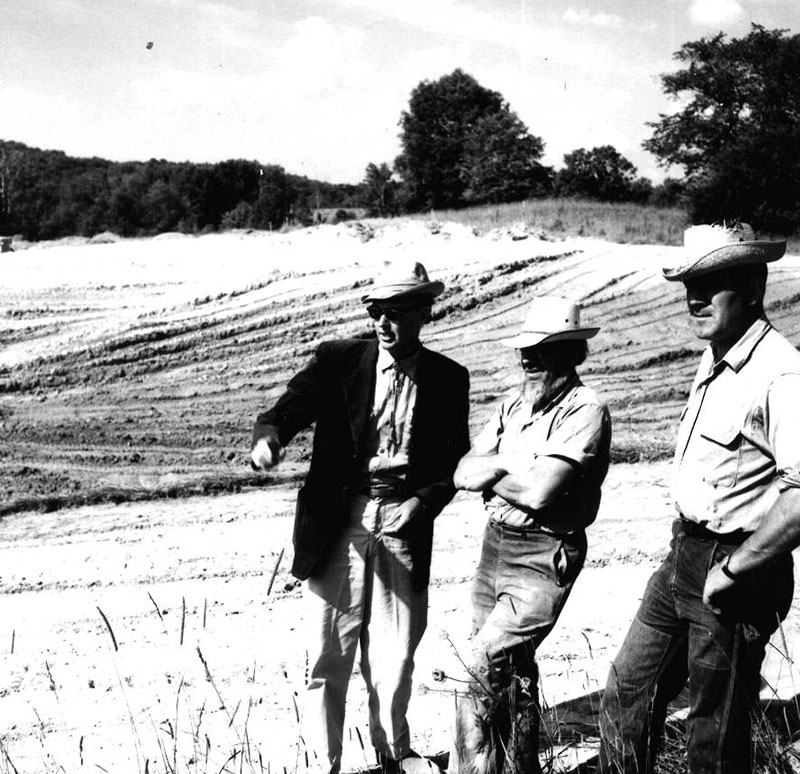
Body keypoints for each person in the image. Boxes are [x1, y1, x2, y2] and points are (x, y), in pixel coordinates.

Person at [250, 259, 470, 774]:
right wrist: (270, 437)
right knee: (329, 653)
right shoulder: (338, 359)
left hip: (403, 523)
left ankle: (393, 754)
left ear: (423, 312)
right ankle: (323, 765)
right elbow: (289, 407)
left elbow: (453, 458)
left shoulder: (448, 377)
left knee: (395, 658)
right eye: (375, 311)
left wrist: (425, 502)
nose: (382, 323)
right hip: (339, 521)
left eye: (395, 312)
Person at [599, 222, 800, 773]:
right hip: (683, 555)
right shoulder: (715, 355)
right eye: (689, 282)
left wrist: (735, 569)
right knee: (625, 698)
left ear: (754, 287)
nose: (694, 296)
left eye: (712, 282)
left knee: (712, 737)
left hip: (736, 568)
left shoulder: (780, 374)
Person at [448, 296, 611, 774]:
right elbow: (461, 470)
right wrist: (507, 468)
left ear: (572, 353)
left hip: (545, 553)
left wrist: (492, 470)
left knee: (474, 666)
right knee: (512, 670)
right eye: (524, 349)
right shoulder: (512, 406)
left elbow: (542, 494)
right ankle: (519, 767)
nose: (527, 359)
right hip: (495, 546)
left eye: (540, 350)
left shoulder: (586, 410)